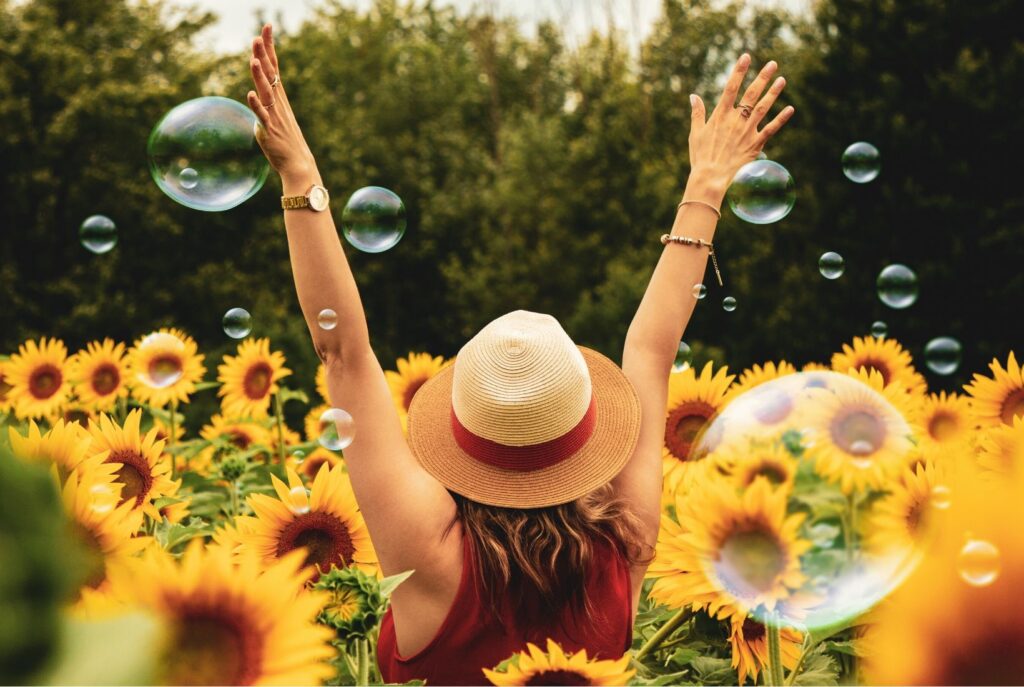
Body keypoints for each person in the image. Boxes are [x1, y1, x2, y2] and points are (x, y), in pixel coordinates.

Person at [246, 24, 793, 686]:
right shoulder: (625, 545)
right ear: (584, 430)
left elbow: (344, 354)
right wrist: (706, 185)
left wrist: (301, 177)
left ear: (464, 432)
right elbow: (650, 350)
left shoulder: (429, 552)